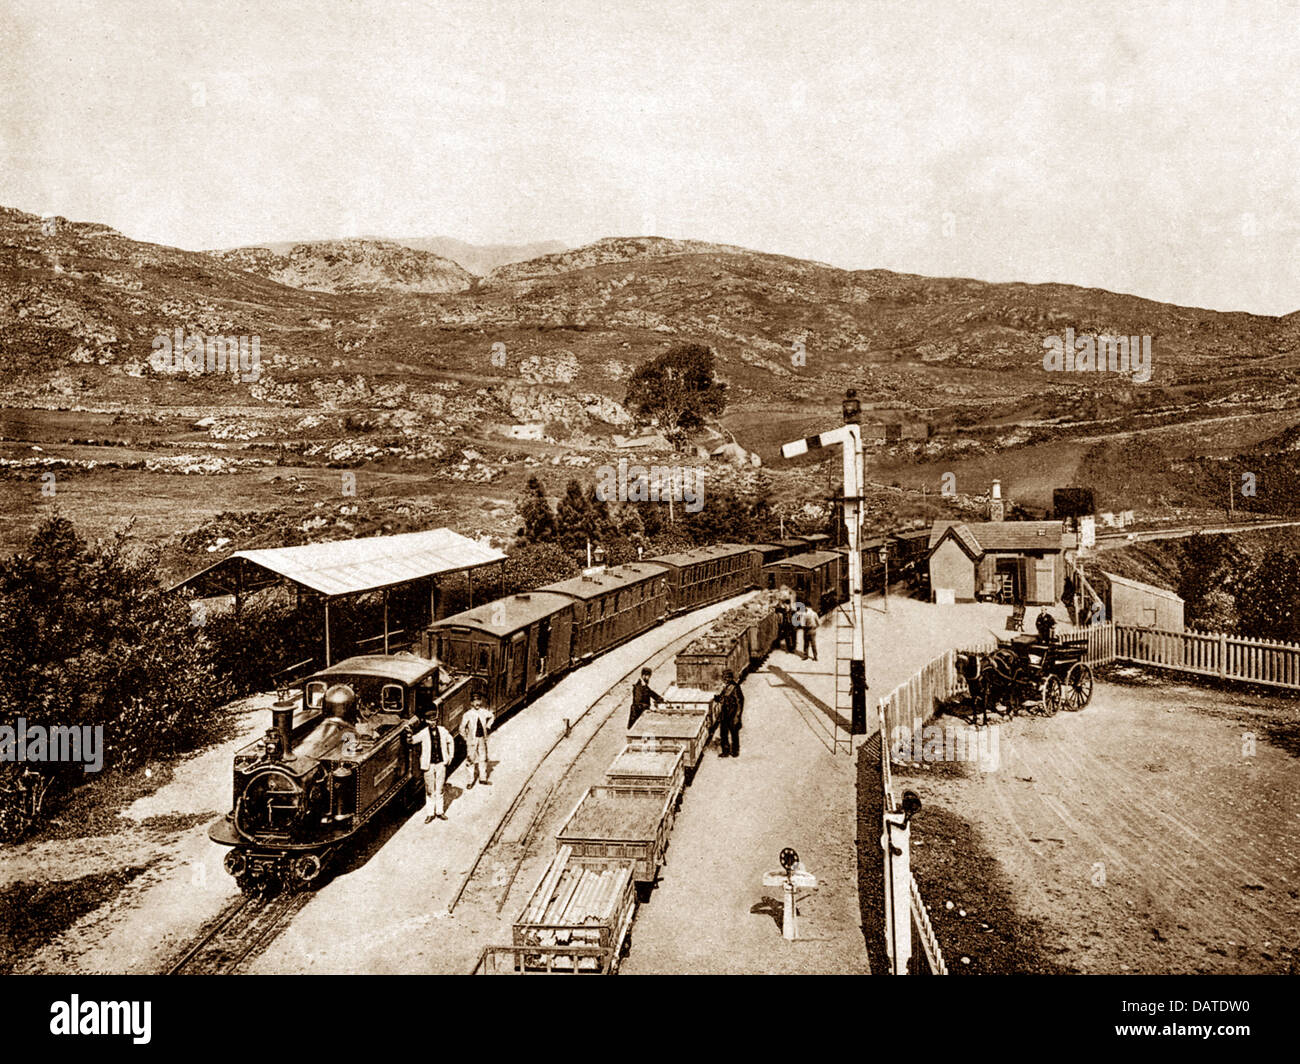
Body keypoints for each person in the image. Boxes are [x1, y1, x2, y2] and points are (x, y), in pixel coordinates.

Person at [414, 719, 455, 822]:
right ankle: (430, 813)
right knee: (429, 790)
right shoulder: (423, 733)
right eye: (430, 721)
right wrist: (409, 734)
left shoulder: (443, 731)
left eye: (434, 721)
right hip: (429, 765)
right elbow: (412, 740)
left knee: (440, 788)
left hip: (441, 764)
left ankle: (440, 812)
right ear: (427, 722)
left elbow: (451, 741)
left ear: (436, 721)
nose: (432, 723)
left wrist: (450, 756)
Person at [460, 698, 495, 787]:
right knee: (470, 760)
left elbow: (492, 716)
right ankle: (470, 781)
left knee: (483, 758)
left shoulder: (483, 712)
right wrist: (466, 738)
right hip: (472, 740)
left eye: (478, 701)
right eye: (475, 702)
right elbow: (461, 728)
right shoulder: (467, 714)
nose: (477, 703)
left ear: (481, 702)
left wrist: (488, 726)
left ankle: (482, 778)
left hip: (482, 738)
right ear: (471, 703)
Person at [716, 670, 744, 758]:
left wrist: (737, 716)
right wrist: (718, 698)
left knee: (734, 734)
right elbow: (723, 698)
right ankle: (726, 751)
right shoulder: (726, 687)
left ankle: (735, 751)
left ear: (730, 678)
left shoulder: (735, 687)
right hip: (725, 714)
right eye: (724, 677)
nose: (725, 679)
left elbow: (740, 702)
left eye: (726, 677)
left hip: (732, 714)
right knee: (723, 733)